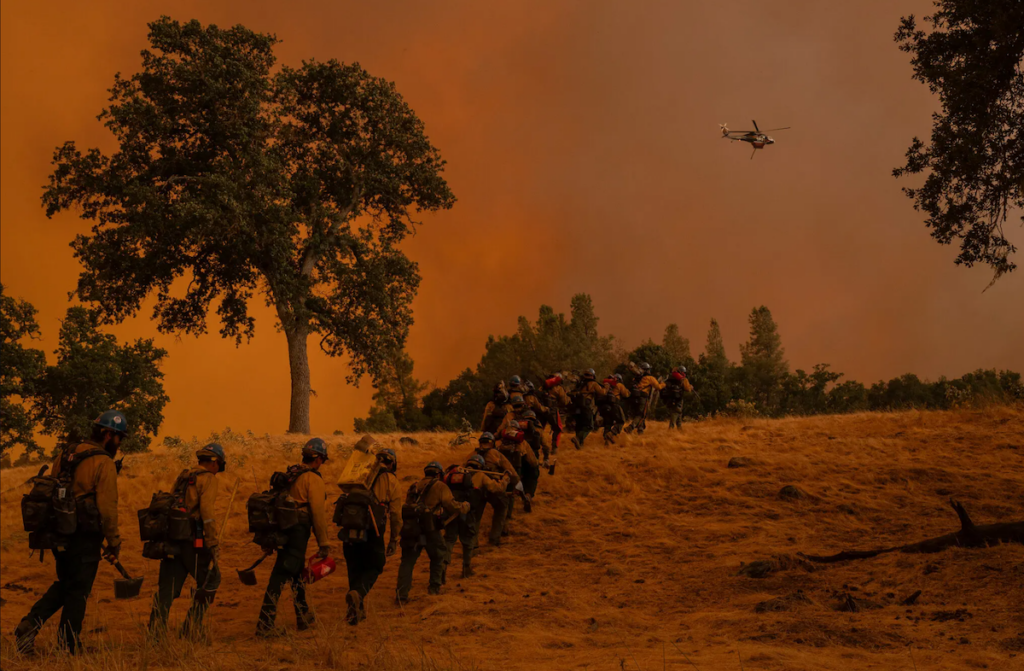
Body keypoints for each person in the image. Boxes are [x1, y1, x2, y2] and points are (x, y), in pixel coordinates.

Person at [14, 411, 126, 655]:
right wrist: (114, 541)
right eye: (119, 438)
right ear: (108, 434)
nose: (120, 444)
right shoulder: (103, 461)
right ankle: (68, 646)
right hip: (85, 536)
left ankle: (29, 625)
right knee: (78, 590)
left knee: (67, 584)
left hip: (59, 532)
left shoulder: (65, 454)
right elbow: (108, 508)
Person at [148, 442, 226, 641]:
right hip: (194, 540)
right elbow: (207, 513)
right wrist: (213, 541)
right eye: (219, 467)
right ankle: (191, 628)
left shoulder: (184, 476)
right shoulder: (208, 479)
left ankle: (155, 634)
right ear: (214, 463)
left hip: (173, 538)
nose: (218, 471)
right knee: (211, 579)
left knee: (168, 589)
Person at [256, 438, 331, 637]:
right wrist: (324, 543)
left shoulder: (292, 474)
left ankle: (303, 615)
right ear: (319, 459)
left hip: (284, 528)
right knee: (281, 573)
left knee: (296, 574)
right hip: (298, 530)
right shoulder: (312, 479)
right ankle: (265, 624)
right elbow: (317, 513)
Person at [342, 444, 402, 626]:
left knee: (354, 567)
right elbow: (396, 515)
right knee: (376, 565)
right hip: (373, 529)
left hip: (349, 527)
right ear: (392, 464)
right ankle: (359, 593)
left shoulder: (358, 474)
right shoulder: (391, 480)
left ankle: (354, 613)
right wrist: (394, 539)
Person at [395, 462, 470, 603]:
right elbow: (451, 505)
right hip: (430, 529)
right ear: (439, 474)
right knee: (438, 556)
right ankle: (434, 588)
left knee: (407, 562)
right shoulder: (440, 486)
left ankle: (401, 596)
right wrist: (464, 506)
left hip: (411, 529)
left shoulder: (414, 486)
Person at [442, 456, 508, 579]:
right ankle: (466, 569)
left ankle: (442, 569)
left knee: (449, 541)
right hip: (468, 514)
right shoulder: (481, 475)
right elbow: (497, 488)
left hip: (453, 511)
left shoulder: (455, 474)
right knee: (467, 542)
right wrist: (505, 480)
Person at [465, 433, 519, 546]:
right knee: (501, 507)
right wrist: (515, 483)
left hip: (477, 488)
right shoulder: (496, 453)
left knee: (475, 516)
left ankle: (472, 545)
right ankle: (494, 539)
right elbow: (511, 471)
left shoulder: (472, 454)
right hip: (493, 487)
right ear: (493, 443)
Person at [538, 374, 574, 470]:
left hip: (541, 410)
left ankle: (536, 446)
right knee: (558, 428)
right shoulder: (558, 388)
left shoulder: (543, 387)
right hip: (552, 410)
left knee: (539, 428)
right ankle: (554, 448)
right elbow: (564, 401)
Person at [626, 362, 665, 434]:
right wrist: (664, 384)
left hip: (635, 398)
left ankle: (640, 430)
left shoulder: (637, 378)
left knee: (640, 414)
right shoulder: (650, 378)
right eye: (649, 369)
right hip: (643, 398)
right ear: (647, 370)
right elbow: (658, 387)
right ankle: (631, 427)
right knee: (641, 414)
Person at [573, 368, 606, 447]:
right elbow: (602, 393)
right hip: (585, 405)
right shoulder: (593, 384)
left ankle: (580, 444)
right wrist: (606, 387)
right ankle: (578, 438)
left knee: (579, 425)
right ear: (593, 376)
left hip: (577, 406)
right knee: (589, 426)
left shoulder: (580, 383)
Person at [599, 373, 630, 444]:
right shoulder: (619, 385)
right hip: (615, 405)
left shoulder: (606, 385)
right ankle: (611, 434)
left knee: (608, 423)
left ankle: (606, 442)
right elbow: (626, 394)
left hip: (605, 406)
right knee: (621, 421)